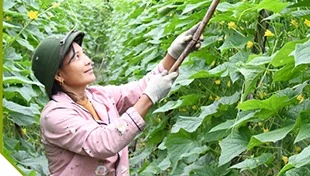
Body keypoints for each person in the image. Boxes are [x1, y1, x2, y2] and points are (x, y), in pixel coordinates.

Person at [33, 25, 201, 176]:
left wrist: (173, 54)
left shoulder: (98, 96)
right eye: (76, 57)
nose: (88, 61)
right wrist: (149, 98)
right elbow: (103, 142)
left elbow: (140, 88)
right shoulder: (54, 115)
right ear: (58, 75)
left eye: (83, 54)